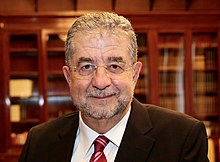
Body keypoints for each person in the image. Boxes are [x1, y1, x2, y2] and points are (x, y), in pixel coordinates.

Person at [19, 12, 209, 162]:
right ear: (69, 77)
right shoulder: (39, 141)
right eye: (86, 67)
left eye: (115, 66)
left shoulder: (182, 138)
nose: (100, 82)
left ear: (134, 74)